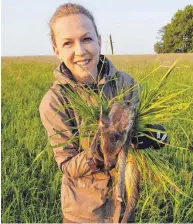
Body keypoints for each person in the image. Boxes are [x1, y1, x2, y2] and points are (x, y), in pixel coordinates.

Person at [39, 3, 168, 223]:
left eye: (86, 39)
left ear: (99, 41)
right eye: (68, 43)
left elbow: (159, 135)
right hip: (84, 214)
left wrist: (155, 136)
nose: (80, 50)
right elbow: (68, 166)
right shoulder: (55, 102)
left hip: (125, 206)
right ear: (56, 50)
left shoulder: (126, 83)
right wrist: (101, 149)